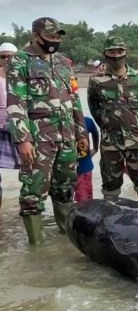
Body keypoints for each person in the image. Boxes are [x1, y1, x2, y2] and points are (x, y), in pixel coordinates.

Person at [6, 17, 88, 243]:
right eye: (50, 36)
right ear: (35, 36)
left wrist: (81, 132)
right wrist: (23, 139)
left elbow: (74, 99)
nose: (54, 40)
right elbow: (16, 104)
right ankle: (36, 247)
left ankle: (65, 239)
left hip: (67, 136)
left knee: (65, 187)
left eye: (57, 36)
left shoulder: (64, 62)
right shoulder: (20, 62)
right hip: (39, 138)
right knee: (33, 191)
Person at [88, 36, 138, 203]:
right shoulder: (96, 82)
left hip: (137, 141)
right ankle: (111, 224)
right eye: (111, 51)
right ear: (105, 53)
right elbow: (95, 110)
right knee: (110, 187)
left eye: (120, 51)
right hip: (110, 143)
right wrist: (110, 125)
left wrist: (135, 124)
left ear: (126, 52)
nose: (116, 55)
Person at [0, 42, 20, 208]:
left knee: (30, 170)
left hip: (21, 129)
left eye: (10, 56)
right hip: (0, 129)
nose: (7, 59)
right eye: (3, 56)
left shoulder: (24, 77)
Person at [74, 115, 99, 202]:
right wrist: (95, 148)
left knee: (84, 200)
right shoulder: (86, 121)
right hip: (65, 168)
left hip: (84, 168)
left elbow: (95, 132)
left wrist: (95, 148)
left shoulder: (86, 121)